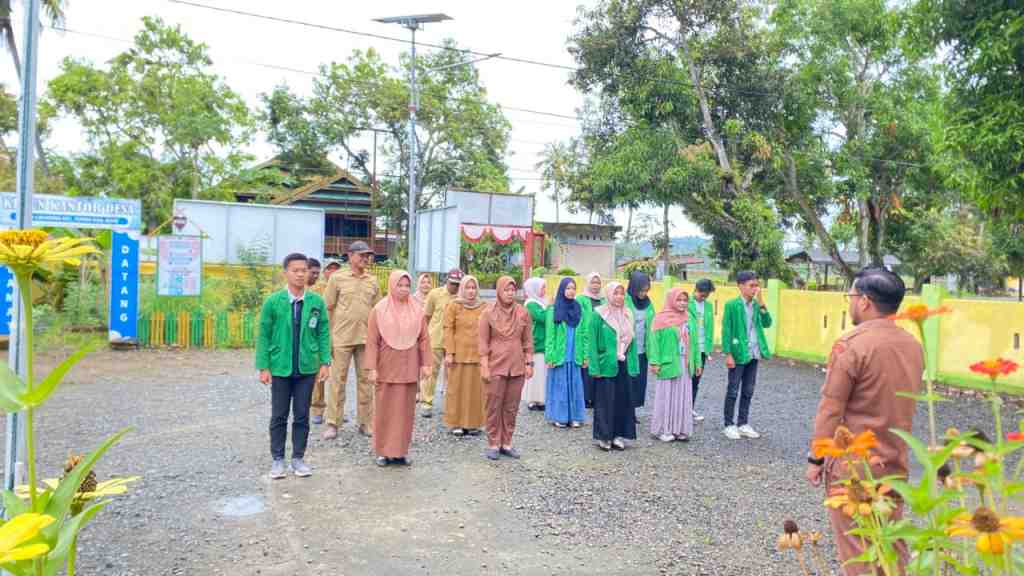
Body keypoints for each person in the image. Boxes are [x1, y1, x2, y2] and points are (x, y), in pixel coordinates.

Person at [805, 267, 921, 575]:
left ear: (865, 301)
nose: (850, 303)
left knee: (858, 551)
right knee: (891, 547)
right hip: (894, 462)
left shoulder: (851, 345)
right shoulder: (913, 345)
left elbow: (831, 408)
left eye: (851, 296)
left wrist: (816, 458)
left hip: (854, 465)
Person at [255, 253, 331, 479]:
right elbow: (264, 335)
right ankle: (277, 459)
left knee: (301, 415)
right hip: (280, 367)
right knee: (279, 415)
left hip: (307, 367)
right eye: (295, 270)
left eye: (303, 270)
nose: (300, 274)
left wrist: (325, 361)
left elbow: (323, 333)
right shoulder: (273, 302)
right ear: (285, 273)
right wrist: (263, 367)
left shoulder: (316, 302)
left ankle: (298, 458)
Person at [365, 270, 432, 467]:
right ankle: (383, 452)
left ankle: (401, 452)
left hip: (409, 366)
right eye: (399, 285)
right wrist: (371, 367)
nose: (403, 289)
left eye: (407, 286)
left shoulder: (417, 310)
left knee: (405, 411)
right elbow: (372, 341)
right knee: (385, 409)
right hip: (387, 366)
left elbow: (424, 339)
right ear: (392, 286)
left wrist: (426, 363)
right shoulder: (379, 310)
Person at [322, 241, 381, 440]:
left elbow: (378, 311)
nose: (365, 258)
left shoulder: (372, 281)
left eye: (367, 255)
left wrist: (377, 339)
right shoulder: (337, 278)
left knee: (366, 382)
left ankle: (365, 423)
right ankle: (333, 423)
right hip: (341, 338)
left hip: (365, 339)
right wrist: (328, 338)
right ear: (350, 256)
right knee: (337, 381)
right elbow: (328, 308)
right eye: (361, 255)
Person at [478, 276, 534, 460]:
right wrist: (484, 365)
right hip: (495, 364)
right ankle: (493, 443)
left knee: (512, 406)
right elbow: (483, 342)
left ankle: (507, 442)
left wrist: (529, 363)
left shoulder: (523, 313)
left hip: (517, 366)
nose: (510, 293)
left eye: (512, 290)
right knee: (493, 405)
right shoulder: (488, 313)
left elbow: (527, 341)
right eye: (506, 290)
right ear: (499, 291)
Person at [721, 270, 772, 440]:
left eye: (757, 285)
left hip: (754, 353)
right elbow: (726, 330)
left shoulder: (757, 305)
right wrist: (728, 354)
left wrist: (762, 304)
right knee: (733, 390)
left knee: (748, 390)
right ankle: (729, 424)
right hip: (738, 354)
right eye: (752, 285)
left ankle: (743, 423)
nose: (755, 289)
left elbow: (767, 323)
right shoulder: (732, 305)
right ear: (740, 286)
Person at [588, 281, 636, 451]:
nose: (619, 297)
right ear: (608, 294)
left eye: (622, 293)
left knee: (622, 400)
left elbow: (632, 342)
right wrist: (594, 368)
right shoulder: (598, 314)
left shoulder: (628, 314)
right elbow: (592, 343)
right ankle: (604, 436)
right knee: (605, 402)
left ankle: (618, 435)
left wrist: (634, 365)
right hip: (605, 365)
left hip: (623, 363)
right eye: (615, 293)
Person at [648, 288, 695, 442]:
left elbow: (694, 342)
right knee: (666, 396)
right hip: (667, 363)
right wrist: (655, 362)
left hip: (684, 363)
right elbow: (654, 342)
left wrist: (696, 362)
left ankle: (680, 429)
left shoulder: (688, 318)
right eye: (679, 300)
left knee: (682, 396)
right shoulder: (660, 319)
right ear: (671, 300)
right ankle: (663, 429)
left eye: (685, 300)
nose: (682, 303)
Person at [443, 275, 487, 436]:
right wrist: (449, 352)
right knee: (456, 390)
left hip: (477, 355)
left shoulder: (484, 307)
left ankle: (474, 423)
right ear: (462, 289)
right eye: (467, 288)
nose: (471, 291)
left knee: (476, 391)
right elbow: (448, 329)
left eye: (473, 288)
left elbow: (489, 330)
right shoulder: (453, 306)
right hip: (458, 355)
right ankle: (456, 423)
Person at [544, 277, 587, 428]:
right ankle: (560, 417)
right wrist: (550, 356)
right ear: (562, 290)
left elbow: (585, 334)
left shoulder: (579, 308)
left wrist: (585, 355)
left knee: (575, 386)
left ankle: (575, 416)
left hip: (575, 354)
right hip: (559, 356)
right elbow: (550, 336)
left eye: (573, 288)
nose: (571, 291)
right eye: (568, 288)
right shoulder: (553, 309)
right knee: (560, 386)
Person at [421, 269, 463, 418]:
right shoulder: (435, 294)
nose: (455, 287)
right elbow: (426, 316)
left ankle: (451, 404)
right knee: (431, 372)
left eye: (458, 284)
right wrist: (423, 337)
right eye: (452, 283)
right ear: (447, 281)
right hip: (436, 338)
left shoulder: (463, 297)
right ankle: (426, 403)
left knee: (454, 373)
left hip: (455, 341)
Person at [626, 271, 655, 413]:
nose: (644, 293)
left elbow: (653, 327)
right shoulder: (624, 300)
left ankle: (632, 411)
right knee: (627, 382)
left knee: (638, 382)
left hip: (643, 351)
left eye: (646, 290)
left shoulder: (649, 304)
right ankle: (624, 412)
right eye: (641, 290)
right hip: (627, 351)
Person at [688, 279, 715, 422]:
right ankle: (681, 409)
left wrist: (709, 349)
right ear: (696, 290)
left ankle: (689, 408)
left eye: (706, 295)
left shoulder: (709, 306)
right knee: (685, 379)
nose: (703, 297)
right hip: (689, 347)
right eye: (702, 294)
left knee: (696, 380)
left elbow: (710, 327)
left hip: (703, 348)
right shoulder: (687, 303)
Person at [305, 257, 327, 424]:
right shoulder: (291, 290)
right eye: (313, 273)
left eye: (318, 273)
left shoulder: (321, 290)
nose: (315, 276)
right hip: (298, 340)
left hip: (316, 338)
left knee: (320, 376)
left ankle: (318, 409)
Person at [579, 272, 605, 409]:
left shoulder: (603, 299)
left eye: (598, 282)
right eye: (593, 282)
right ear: (587, 283)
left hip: (600, 337)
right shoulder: (581, 299)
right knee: (586, 367)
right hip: (586, 336)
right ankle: (585, 397)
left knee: (598, 366)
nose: (596, 285)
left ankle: (596, 397)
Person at [522, 277, 548, 411]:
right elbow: (542, 317)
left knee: (542, 373)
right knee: (535, 373)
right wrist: (551, 307)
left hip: (543, 342)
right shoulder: (531, 304)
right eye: (542, 287)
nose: (544, 290)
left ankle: (541, 399)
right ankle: (532, 400)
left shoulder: (540, 302)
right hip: (536, 342)